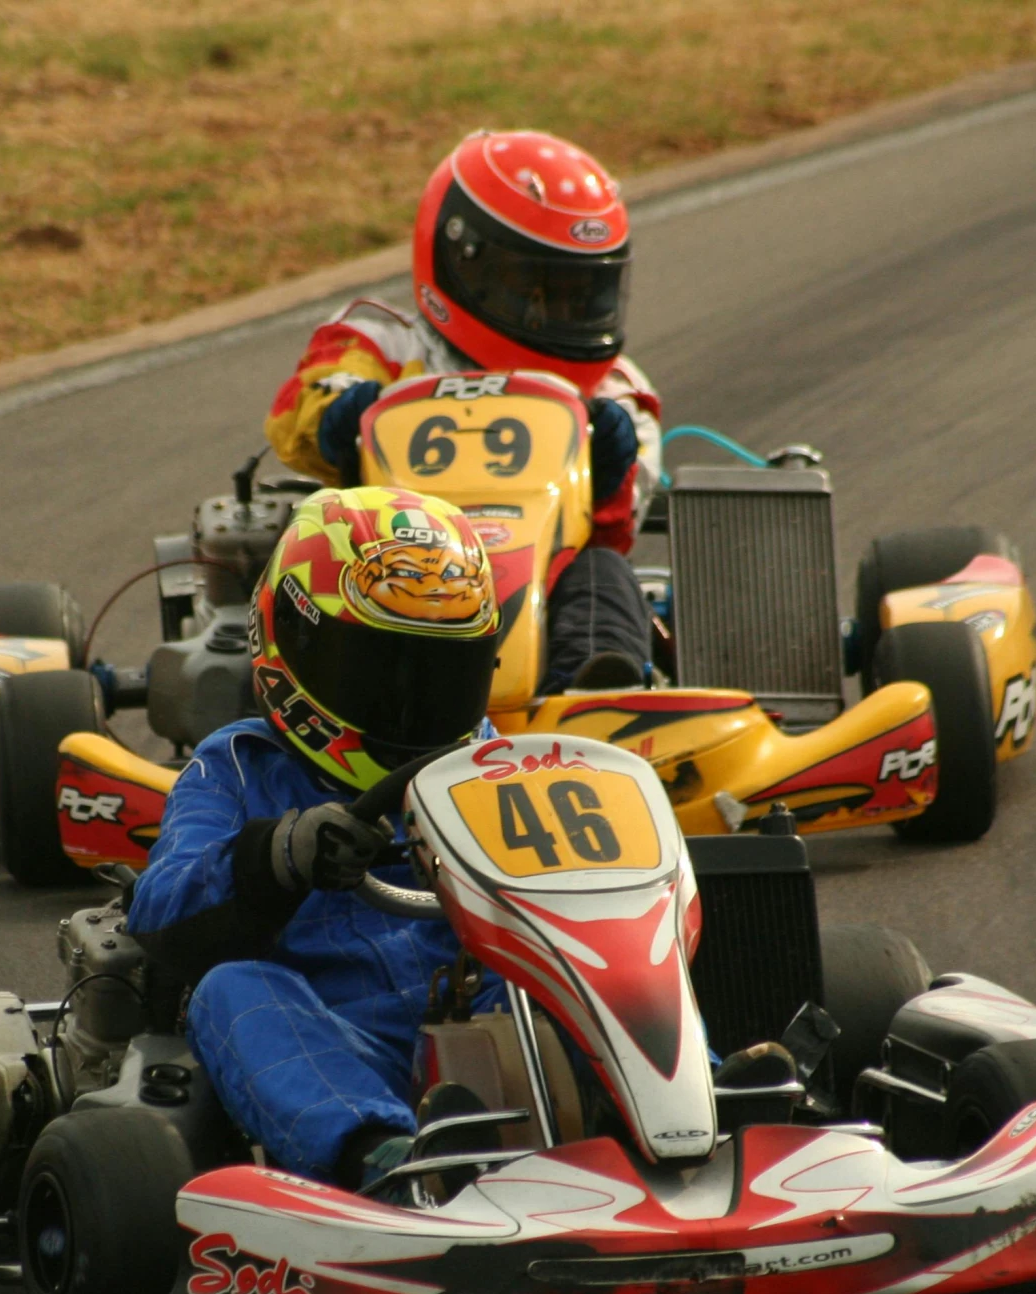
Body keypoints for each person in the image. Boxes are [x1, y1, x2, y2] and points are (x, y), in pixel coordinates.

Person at [130, 485, 509, 1191]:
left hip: (479, 1011)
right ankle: (385, 1158)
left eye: (440, 677)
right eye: (381, 673)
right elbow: (158, 909)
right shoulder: (240, 767)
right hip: (334, 1037)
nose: (413, 706)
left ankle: (706, 1098)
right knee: (231, 990)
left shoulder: (491, 762)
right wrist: (281, 854)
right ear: (291, 640)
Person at [263, 129, 659, 694]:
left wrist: (609, 466)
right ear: (460, 259)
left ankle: (593, 699)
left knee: (604, 574)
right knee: (302, 576)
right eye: (535, 287)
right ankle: (278, 728)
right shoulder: (381, 344)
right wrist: (339, 418)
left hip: (546, 586)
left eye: (581, 291)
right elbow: (304, 405)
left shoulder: (614, 394)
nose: (555, 311)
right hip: (381, 573)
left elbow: (618, 527)